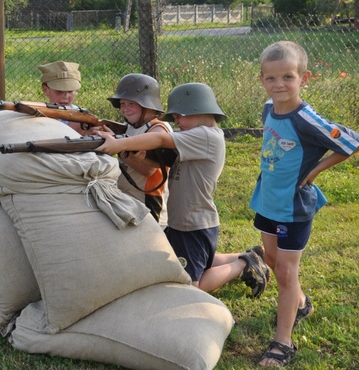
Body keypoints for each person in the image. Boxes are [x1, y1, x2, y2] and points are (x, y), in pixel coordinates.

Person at [96, 82, 271, 297]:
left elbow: (160, 137)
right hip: (185, 221)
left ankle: (245, 263)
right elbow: (158, 160)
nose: (176, 122)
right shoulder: (198, 135)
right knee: (199, 261)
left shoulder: (206, 136)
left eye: (179, 116)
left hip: (193, 222)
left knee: (190, 286)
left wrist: (120, 144)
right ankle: (251, 255)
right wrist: (136, 153)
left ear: (198, 109)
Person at [251, 41, 359, 367]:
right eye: (271, 78)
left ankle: (282, 342)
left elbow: (354, 142)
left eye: (287, 77)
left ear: (304, 78)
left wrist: (315, 170)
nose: (279, 85)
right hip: (267, 201)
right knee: (271, 259)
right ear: (262, 80)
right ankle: (299, 303)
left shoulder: (307, 119)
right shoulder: (267, 109)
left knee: (286, 273)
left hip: (293, 209)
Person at [102, 73, 173, 228]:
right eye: (122, 104)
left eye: (131, 104)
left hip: (149, 203)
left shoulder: (159, 130)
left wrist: (118, 146)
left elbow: (148, 171)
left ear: (147, 104)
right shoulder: (130, 126)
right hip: (129, 199)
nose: (125, 109)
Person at [38, 61, 85, 134]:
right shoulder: (39, 118)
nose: (65, 96)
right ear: (45, 90)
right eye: (59, 91)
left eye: (70, 91)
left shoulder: (83, 117)